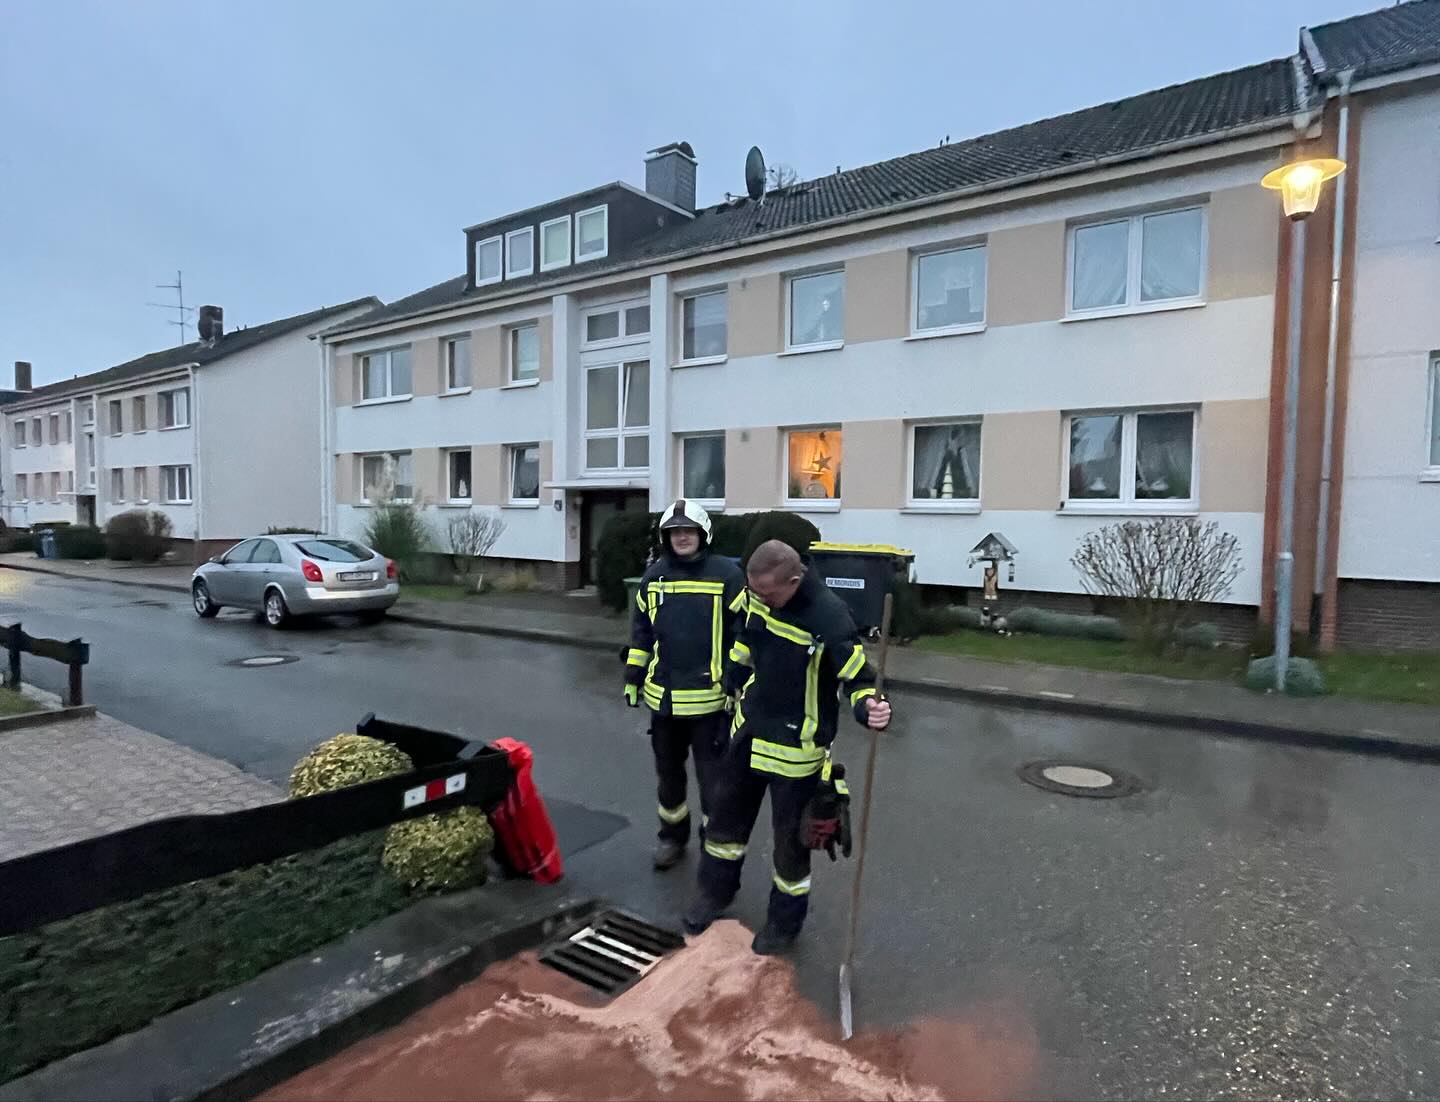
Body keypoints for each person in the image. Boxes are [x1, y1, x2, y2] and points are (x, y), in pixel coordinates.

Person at [684, 539, 892, 955]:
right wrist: (733, 675)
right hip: (749, 733)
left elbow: (858, 679)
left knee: (790, 846)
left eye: (768, 594)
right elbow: (747, 637)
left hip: (798, 750)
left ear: (794, 581)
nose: (760, 599)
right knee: (724, 826)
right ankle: (714, 894)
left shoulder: (829, 618)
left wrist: (870, 708)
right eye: (754, 591)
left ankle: (783, 923)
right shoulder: (758, 596)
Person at [624, 499, 745, 870]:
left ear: (702, 533)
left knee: (714, 782)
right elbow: (642, 632)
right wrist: (634, 674)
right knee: (669, 778)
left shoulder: (727, 576)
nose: (681, 538)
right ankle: (671, 837)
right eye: (674, 532)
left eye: (688, 531)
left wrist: (736, 677)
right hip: (664, 701)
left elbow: (744, 631)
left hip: (711, 702)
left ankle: (714, 844)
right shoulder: (654, 577)